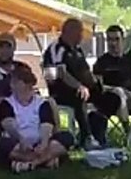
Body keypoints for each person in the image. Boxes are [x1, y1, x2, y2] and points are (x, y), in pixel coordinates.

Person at [44, 17, 120, 148]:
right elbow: (59, 74)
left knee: (111, 98)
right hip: (60, 90)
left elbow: (85, 71)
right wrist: (79, 86)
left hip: (82, 88)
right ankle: (87, 137)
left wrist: (96, 84)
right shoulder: (57, 49)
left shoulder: (77, 50)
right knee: (80, 96)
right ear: (70, 32)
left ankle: (98, 134)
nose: (82, 35)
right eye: (79, 32)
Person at [0, 67, 73, 172]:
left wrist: (43, 144)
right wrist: (21, 140)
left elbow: (46, 124)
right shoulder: (7, 103)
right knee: (4, 145)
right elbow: (8, 124)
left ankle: (31, 164)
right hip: (18, 143)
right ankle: (46, 160)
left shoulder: (41, 103)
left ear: (26, 84)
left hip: (40, 143)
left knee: (66, 137)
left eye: (15, 82)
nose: (11, 85)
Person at [95, 24, 131, 147]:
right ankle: (129, 133)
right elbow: (97, 85)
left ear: (123, 39)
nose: (113, 43)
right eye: (110, 40)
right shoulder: (102, 62)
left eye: (116, 39)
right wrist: (115, 89)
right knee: (120, 93)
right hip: (113, 99)